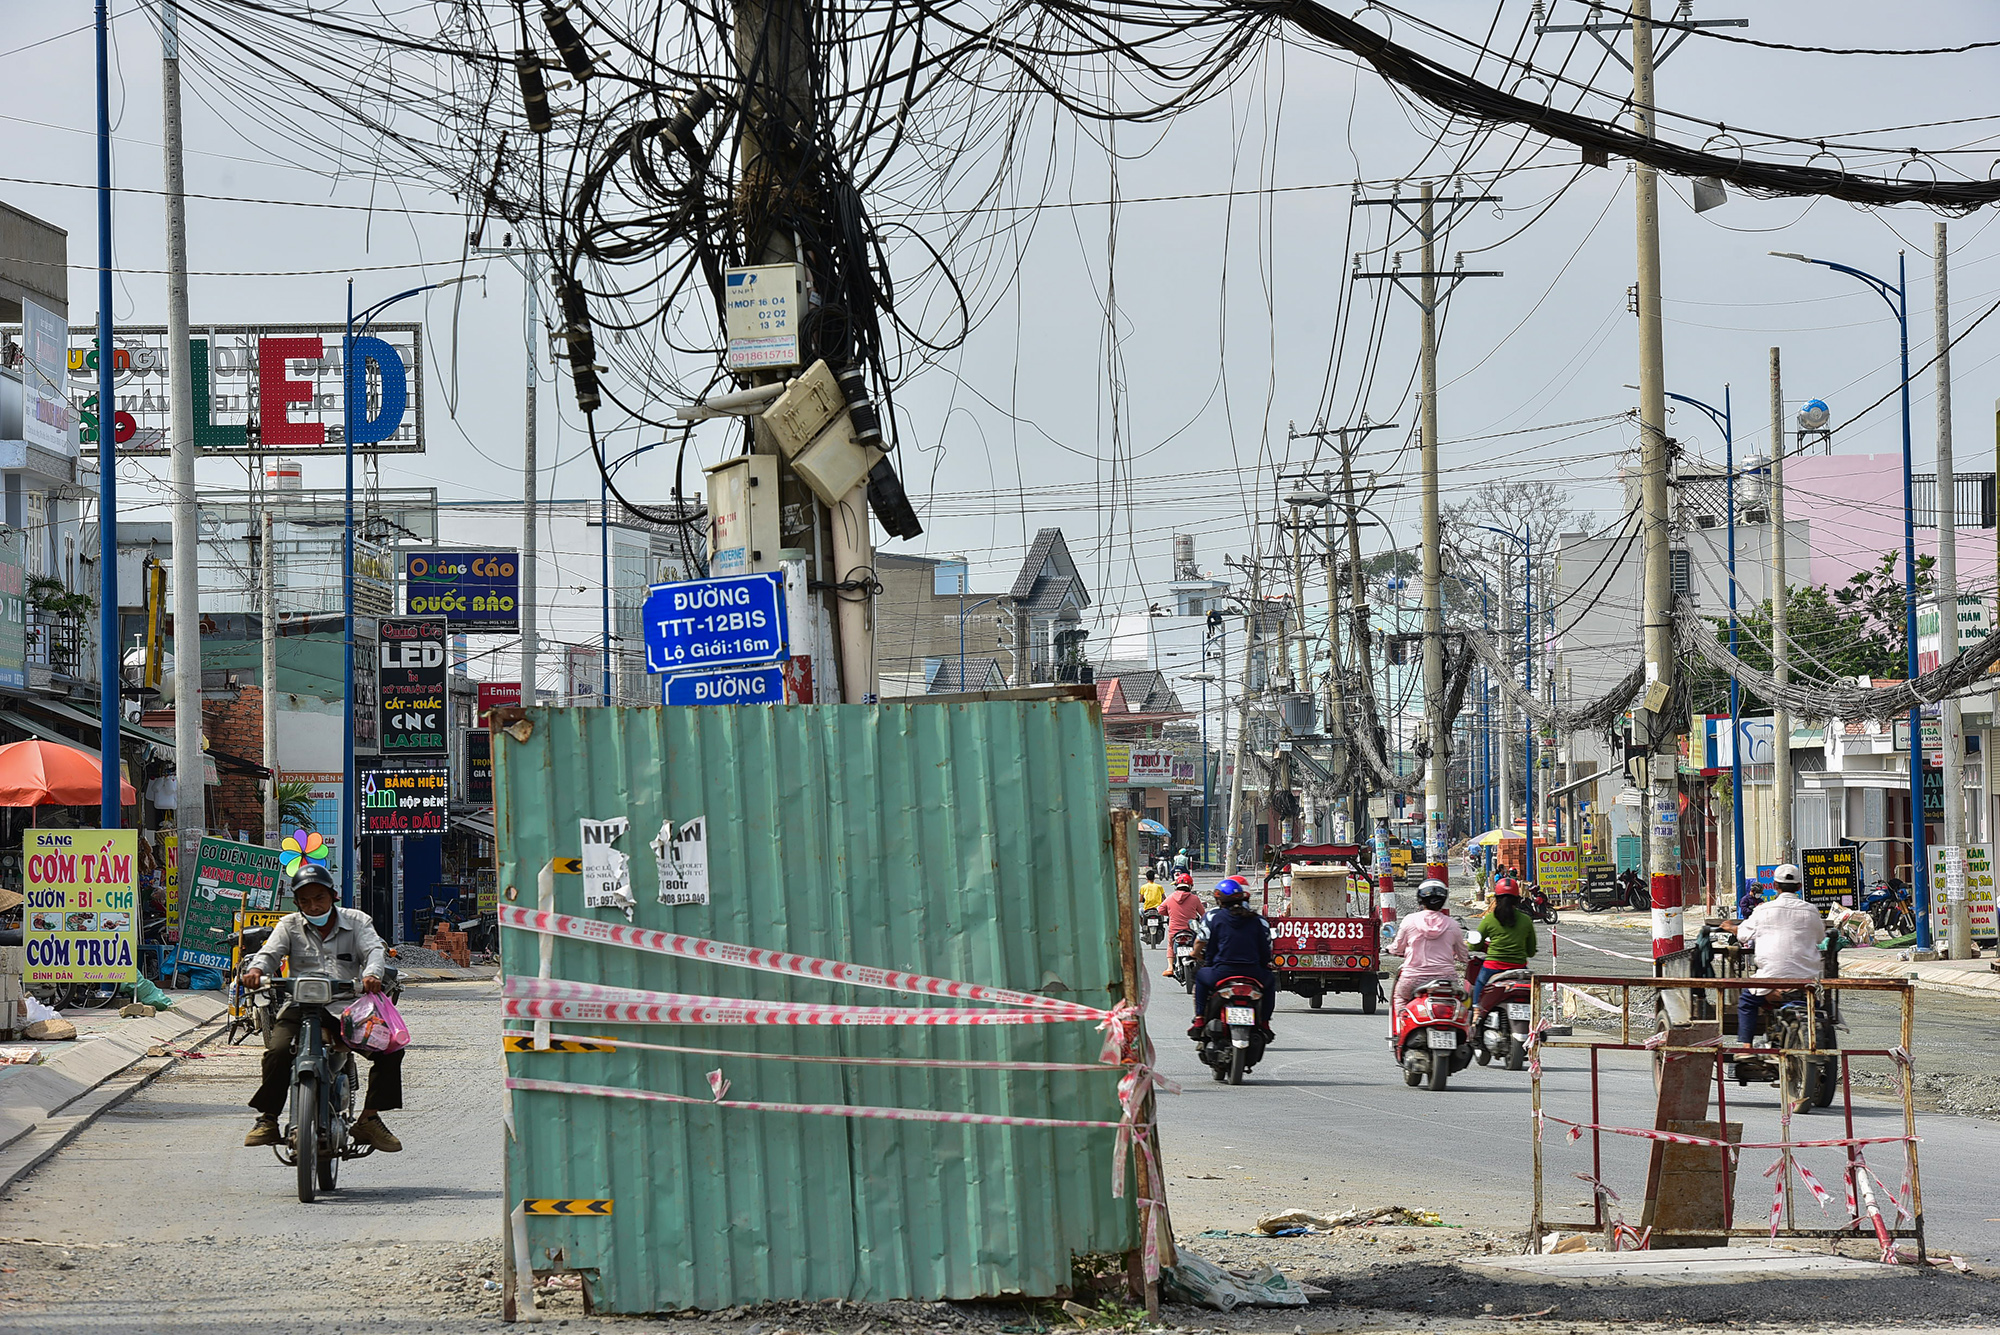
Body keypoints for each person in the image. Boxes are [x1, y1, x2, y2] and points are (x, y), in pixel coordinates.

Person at [239, 866, 404, 1153]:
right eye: (304, 901)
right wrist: (255, 970)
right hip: (301, 1006)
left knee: (390, 1049)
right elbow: (270, 953)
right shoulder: (289, 925)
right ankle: (268, 1119)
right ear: (297, 903)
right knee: (276, 1051)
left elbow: (373, 951)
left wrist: (372, 975)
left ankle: (369, 1118)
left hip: (348, 1009)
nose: (313, 906)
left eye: (319, 898)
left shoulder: (357, 921)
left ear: (333, 896)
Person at [1725, 863, 1827, 1047]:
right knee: (1818, 1007)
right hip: (1805, 984)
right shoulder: (1811, 910)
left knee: (1747, 1001)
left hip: (1769, 981)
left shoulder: (1763, 910)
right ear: (1799, 887)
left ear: (1774, 886)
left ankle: (1747, 1047)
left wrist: (1731, 928)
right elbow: (1820, 937)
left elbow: (1742, 934)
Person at [1188, 879, 1276, 1038]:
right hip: (1253, 973)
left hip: (1222, 972)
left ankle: (1200, 1019)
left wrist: (1207, 961)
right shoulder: (1257, 920)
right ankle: (1265, 1022)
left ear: (1219, 900)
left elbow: (1211, 948)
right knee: (1270, 981)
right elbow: (1265, 951)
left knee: (1200, 977)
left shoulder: (1216, 918)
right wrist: (1264, 966)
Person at [1385, 879, 1469, 1008]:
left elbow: (1397, 947)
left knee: (1400, 998)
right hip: (1446, 980)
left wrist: (1390, 949)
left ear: (1420, 899)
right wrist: (1462, 957)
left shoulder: (1409, 920)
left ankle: (1400, 1026)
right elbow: (1463, 955)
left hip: (1413, 979)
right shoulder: (1453, 925)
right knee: (1459, 1007)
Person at [1472, 878, 1538, 1008]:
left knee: (1479, 984)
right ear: (1517, 899)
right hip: (1519, 969)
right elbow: (1530, 952)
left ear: (1496, 898)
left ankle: (1476, 1014)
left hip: (1492, 968)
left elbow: (1475, 944)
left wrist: (1477, 946)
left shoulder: (1489, 919)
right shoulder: (1526, 920)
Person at [1159, 875, 1206, 976]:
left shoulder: (1170, 898)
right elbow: (1203, 914)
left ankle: (1170, 967)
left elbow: (1160, 910)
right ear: (1190, 886)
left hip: (1174, 930)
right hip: (1190, 930)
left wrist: (1171, 913)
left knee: (1171, 945)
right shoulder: (1195, 899)